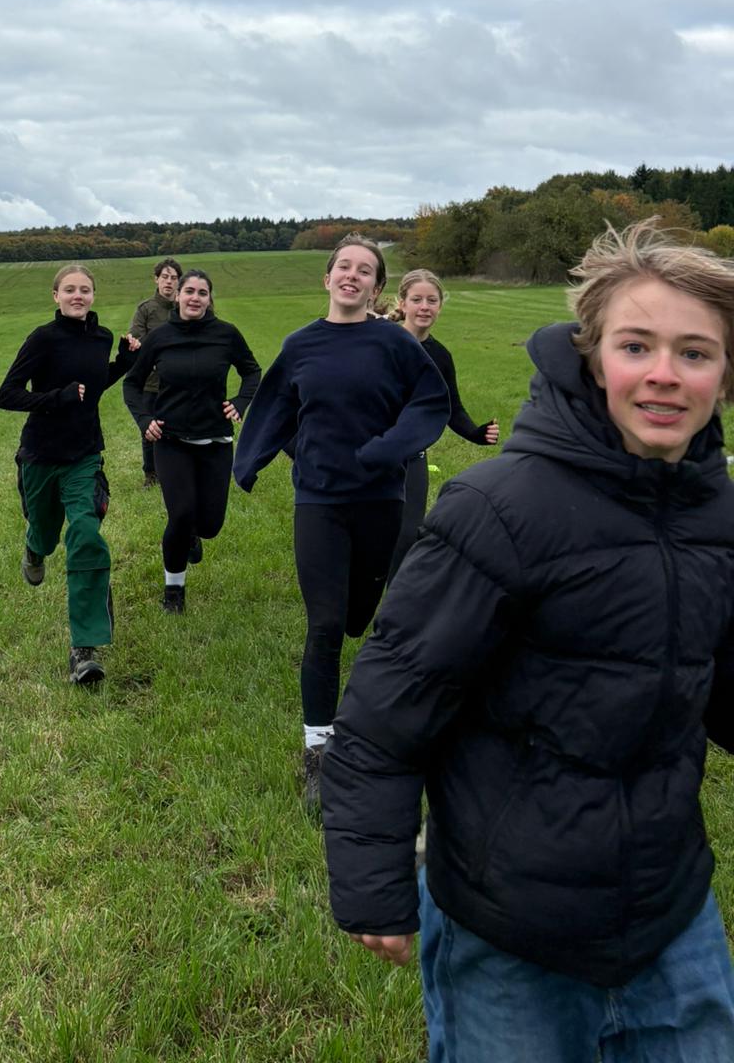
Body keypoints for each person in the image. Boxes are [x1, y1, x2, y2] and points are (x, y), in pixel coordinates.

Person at [322, 220, 734, 1062]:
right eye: (636, 345)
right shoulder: (500, 510)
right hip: (509, 921)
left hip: (669, 909)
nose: (664, 372)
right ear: (593, 358)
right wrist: (372, 883)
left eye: (695, 353)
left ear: (724, 378)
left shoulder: (719, 519)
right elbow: (383, 716)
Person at [233, 235, 449, 807]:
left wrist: (389, 448)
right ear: (327, 278)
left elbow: (430, 401)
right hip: (319, 502)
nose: (352, 275)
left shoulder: (394, 343)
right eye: (344, 267)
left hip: (380, 499)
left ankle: (355, 666)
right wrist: (250, 460)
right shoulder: (301, 345)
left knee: (358, 619)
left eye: (365, 270)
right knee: (326, 626)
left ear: (377, 289)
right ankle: (318, 753)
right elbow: (276, 406)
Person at [0, 264, 140, 686]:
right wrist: (55, 398)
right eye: (70, 289)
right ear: (55, 296)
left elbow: (91, 388)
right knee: (44, 533)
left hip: (84, 454)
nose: (78, 296)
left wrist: (124, 363)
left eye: (85, 289)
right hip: (41, 455)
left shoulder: (101, 337)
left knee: (86, 534)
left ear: (93, 295)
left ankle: (84, 648)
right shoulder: (43, 338)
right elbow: (7, 395)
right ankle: (34, 548)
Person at [123, 268, 260, 613]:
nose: (195, 298)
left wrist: (240, 401)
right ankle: (174, 590)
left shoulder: (226, 334)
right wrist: (144, 420)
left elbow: (252, 371)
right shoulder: (161, 337)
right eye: (189, 291)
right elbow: (132, 383)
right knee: (180, 514)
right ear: (178, 296)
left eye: (202, 292)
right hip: (171, 440)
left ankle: (193, 533)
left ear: (209, 299)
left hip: (216, 440)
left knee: (210, 525)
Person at [386, 269, 499, 579]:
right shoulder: (382, 343)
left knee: (407, 536)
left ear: (440, 306)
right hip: (372, 454)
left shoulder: (440, 355)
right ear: (403, 303)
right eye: (417, 300)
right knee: (371, 532)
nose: (424, 307)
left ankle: (395, 601)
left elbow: (451, 408)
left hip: (413, 458)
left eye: (431, 300)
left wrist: (476, 433)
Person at [127, 258, 182, 487]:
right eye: (165, 277)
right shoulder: (146, 309)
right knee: (150, 429)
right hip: (151, 382)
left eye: (174, 278)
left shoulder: (184, 308)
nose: (169, 282)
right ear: (156, 279)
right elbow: (137, 339)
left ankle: (177, 470)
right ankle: (151, 474)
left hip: (179, 382)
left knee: (178, 427)